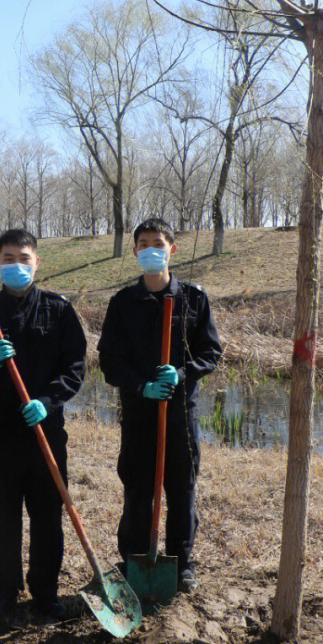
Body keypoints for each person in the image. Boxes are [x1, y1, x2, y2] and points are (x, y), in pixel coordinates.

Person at [0, 229, 87, 625]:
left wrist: (46, 403)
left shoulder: (59, 310)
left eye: (23, 258)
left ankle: (46, 593)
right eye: (8, 258)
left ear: (37, 262)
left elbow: (76, 367)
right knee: (4, 517)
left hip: (47, 433)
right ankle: (5, 591)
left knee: (48, 516)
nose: (16, 265)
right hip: (2, 437)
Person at [96, 218, 223, 594]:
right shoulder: (122, 303)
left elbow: (211, 352)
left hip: (180, 414)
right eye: (144, 243)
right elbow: (109, 361)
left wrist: (183, 373)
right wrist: (141, 385)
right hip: (138, 413)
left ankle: (181, 563)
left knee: (182, 489)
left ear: (172, 249)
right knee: (137, 489)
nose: (152, 249)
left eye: (159, 242)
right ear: (135, 251)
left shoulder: (193, 299)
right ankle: (134, 557)